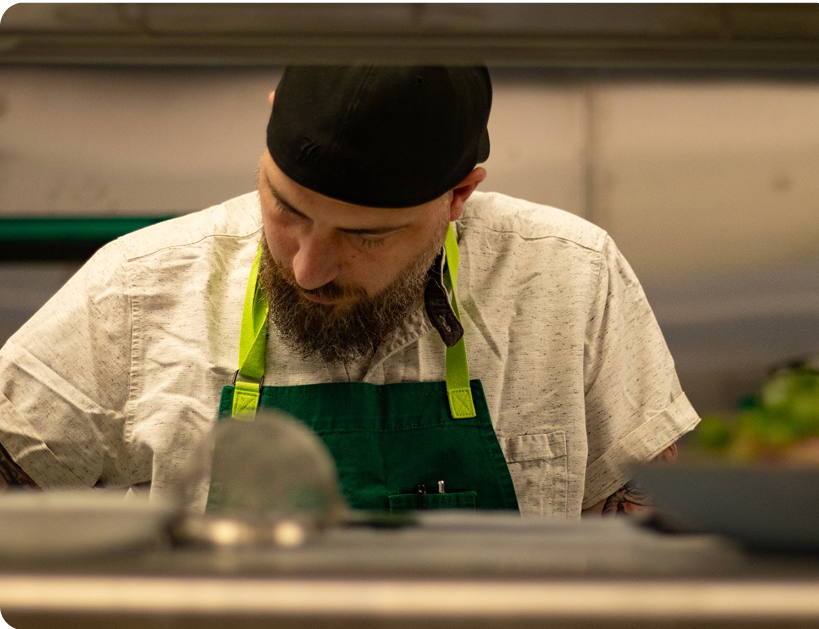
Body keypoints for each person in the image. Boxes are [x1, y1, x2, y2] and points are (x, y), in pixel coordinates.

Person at [0, 66, 699, 517]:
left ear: (459, 195)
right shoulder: (134, 289)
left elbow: (649, 525)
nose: (306, 267)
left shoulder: (569, 276)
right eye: (286, 209)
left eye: (365, 237)